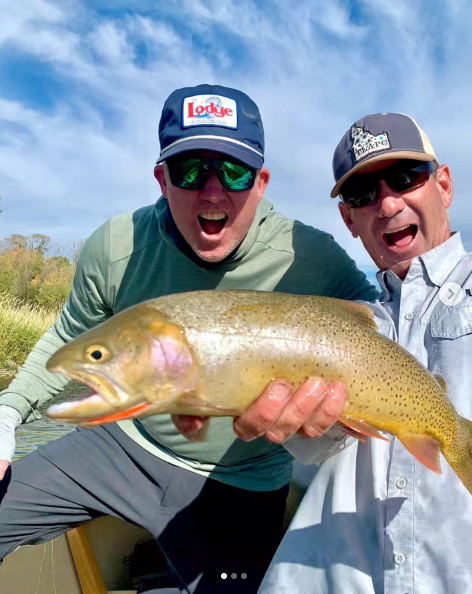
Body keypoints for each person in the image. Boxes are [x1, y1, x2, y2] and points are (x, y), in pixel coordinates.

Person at [0, 84, 377, 593]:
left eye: (235, 171)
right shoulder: (116, 247)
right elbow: (67, 337)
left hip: (241, 481)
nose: (213, 191)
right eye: (190, 170)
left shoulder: (313, 259)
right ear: (161, 178)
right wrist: (8, 414)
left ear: (261, 182)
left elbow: (384, 329)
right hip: (122, 447)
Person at [257, 112, 472, 594]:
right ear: (349, 219)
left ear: (444, 185)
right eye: (362, 193)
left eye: (404, 178)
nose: (388, 203)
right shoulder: (344, 326)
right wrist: (305, 425)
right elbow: (315, 451)